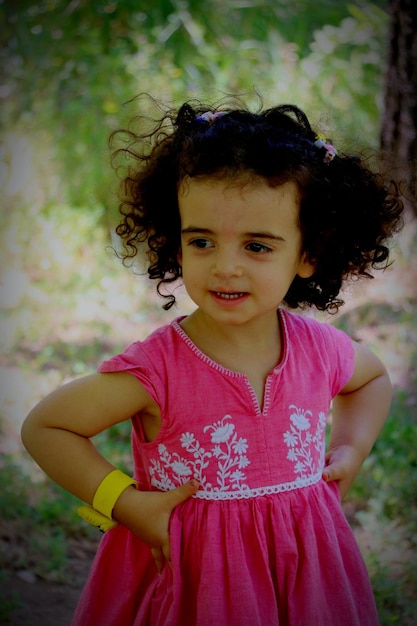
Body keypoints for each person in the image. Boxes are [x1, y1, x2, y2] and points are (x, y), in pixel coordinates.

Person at [21, 98, 403, 626]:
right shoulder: (158, 369)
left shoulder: (321, 350)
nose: (226, 267)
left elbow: (373, 378)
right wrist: (127, 504)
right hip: (194, 588)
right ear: (175, 243)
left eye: (258, 246)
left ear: (309, 253)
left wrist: (351, 448)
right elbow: (48, 426)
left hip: (305, 579)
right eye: (201, 240)